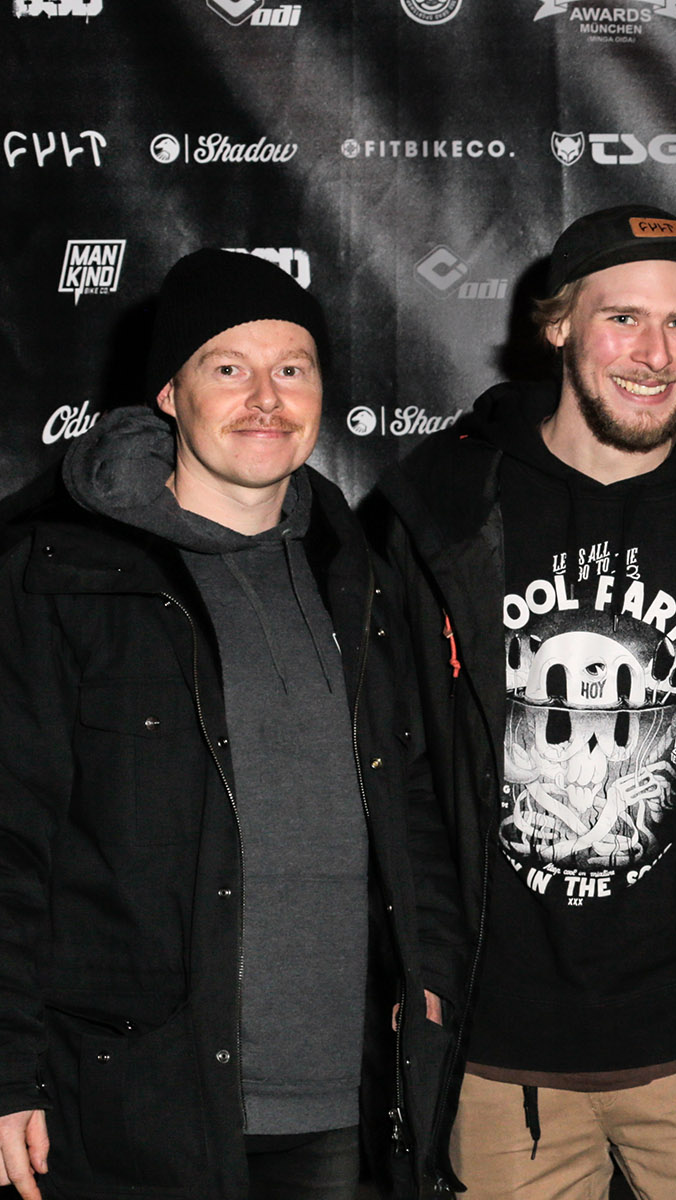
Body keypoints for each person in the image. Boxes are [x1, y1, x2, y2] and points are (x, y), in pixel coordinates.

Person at [0, 248, 461, 1200]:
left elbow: (409, 797)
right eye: (228, 368)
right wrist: (7, 1072)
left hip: (339, 1102)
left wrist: (429, 970)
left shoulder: (355, 567)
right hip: (132, 1107)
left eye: (291, 368)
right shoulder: (62, 575)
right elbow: (10, 838)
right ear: (170, 393)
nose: (265, 397)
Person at [372, 205, 676, 1199]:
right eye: (622, 318)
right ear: (557, 324)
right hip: (499, 1059)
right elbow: (398, 772)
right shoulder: (439, 506)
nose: (654, 353)